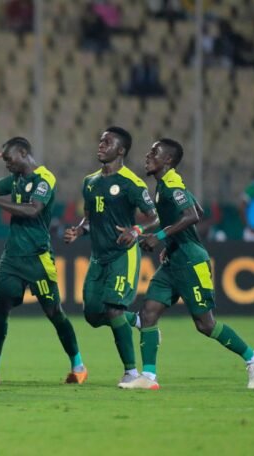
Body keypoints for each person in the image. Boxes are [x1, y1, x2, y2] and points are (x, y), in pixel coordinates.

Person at [122, 139, 254, 390]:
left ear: (168, 160)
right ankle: (148, 377)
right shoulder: (163, 185)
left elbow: (193, 215)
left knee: (205, 324)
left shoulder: (171, 183)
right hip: (174, 258)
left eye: (154, 152)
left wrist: (158, 237)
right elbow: (196, 208)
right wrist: (169, 244)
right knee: (148, 313)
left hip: (191, 260)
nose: (147, 155)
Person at [0, 137, 87, 385]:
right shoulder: (16, 179)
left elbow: (33, 209)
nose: (8, 165)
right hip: (11, 258)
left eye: (10, 160)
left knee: (54, 312)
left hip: (37, 257)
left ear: (23, 153)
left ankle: (78, 365)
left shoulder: (45, 179)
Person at [64, 127, 159, 386]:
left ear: (121, 150)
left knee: (114, 309)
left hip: (123, 255)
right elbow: (90, 216)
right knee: (93, 315)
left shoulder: (132, 183)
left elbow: (154, 217)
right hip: (98, 257)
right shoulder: (90, 182)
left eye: (108, 142)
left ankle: (132, 373)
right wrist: (80, 230)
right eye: (101, 140)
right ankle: (137, 320)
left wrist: (136, 229)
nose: (101, 145)